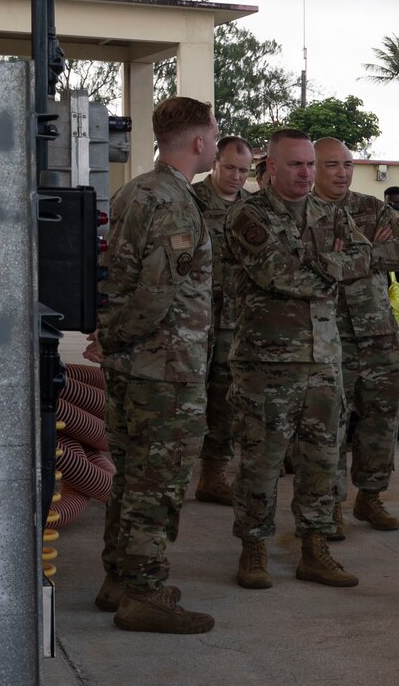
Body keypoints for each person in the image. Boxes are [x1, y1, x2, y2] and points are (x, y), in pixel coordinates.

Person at [93, 96, 222, 634]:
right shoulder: (172, 200)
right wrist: (117, 337)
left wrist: (112, 341)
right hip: (164, 368)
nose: (216, 143)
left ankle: (120, 580)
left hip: (135, 366)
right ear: (197, 141)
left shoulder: (132, 192)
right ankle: (144, 592)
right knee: (159, 483)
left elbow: (112, 276)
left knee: (132, 477)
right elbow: (155, 293)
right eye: (214, 135)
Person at [226, 129, 364, 589]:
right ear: (271, 166)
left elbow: (365, 256)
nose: (306, 173)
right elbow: (275, 273)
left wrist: (319, 265)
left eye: (310, 165)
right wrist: (329, 271)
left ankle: (314, 548)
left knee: (322, 460)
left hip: (324, 360)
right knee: (261, 462)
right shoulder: (248, 214)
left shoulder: (331, 213)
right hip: (267, 364)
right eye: (295, 165)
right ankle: (253, 548)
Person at [313, 138, 399, 534]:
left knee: (385, 414)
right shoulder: (304, 214)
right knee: (329, 423)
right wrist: (370, 252)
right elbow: (309, 263)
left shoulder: (371, 208)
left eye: (348, 164)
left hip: (379, 334)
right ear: (313, 167)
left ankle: (370, 497)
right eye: (333, 165)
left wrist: (346, 258)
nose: (343, 172)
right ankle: (330, 506)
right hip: (328, 337)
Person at [191, 135, 253, 506]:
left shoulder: (252, 208)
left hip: (236, 321)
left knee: (226, 397)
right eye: (230, 167)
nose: (236, 176)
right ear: (215, 162)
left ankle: (213, 474)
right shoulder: (193, 201)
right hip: (196, 318)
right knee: (188, 395)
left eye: (244, 171)